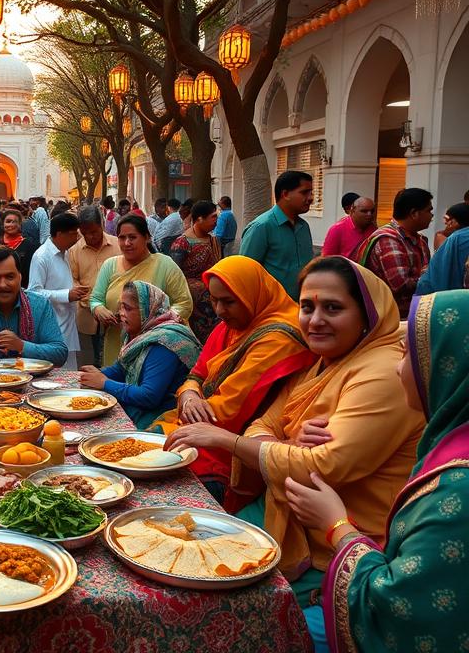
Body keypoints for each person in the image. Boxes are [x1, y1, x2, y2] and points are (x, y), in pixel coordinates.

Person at [166, 257, 423, 639]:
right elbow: (264, 423)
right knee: (175, 549)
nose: (315, 319)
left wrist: (226, 440)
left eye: (332, 308)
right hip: (284, 507)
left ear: (367, 313)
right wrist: (284, 442)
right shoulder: (324, 360)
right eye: (307, 307)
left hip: (337, 538)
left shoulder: (382, 371)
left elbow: (325, 465)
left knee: (217, 608)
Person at [286, 289, 469, 653]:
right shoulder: (447, 435)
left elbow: (398, 609)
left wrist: (337, 526)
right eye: (307, 307)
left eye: (408, 356)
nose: (398, 368)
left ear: (447, 364)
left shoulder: (457, 487)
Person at [153, 256, 317, 506]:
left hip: (228, 452)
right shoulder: (233, 324)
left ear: (252, 294)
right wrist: (189, 395)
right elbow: (197, 373)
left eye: (229, 302)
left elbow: (226, 413)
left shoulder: (279, 338)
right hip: (199, 428)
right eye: (214, 300)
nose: (219, 311)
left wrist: (189, 405)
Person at [80, 281, 200, 429]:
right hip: (144, 406)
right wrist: (94, 375)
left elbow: (149, 396)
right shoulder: (140, 332)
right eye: (121, 307)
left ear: (146, 310)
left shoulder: (164, 343)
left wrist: (104, 383)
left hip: (164, 415)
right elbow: (121, 369)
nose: (122, 313)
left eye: (128, 308)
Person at [90, 214, 192, 365]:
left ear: (147, 237)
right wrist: (99, 310)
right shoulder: (109, 265)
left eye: (132, 237)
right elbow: (95, 299)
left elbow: (184, 303)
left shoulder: (165, 265)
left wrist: (156, 322)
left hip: (154, 345)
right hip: (116, 341)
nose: (127, 243)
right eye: (122, 237)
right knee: (112, 383)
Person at [353, 187, 433, 319]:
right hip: (390, 319)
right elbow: (401, 285)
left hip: (413, 315)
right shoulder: (388, 239)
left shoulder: (418, 239)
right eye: (429, 210)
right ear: (414, 213)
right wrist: (431, 277)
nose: (432, 215)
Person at [240, 170, 315, 300]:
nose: (310, 198)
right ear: (285, 194)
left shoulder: (303, 227)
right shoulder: (261, 227)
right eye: (304, 192)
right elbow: (245, 273)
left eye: (311, 192)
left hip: (302, 306)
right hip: (272, 309)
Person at [28, 212, 87, 369]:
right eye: (73, 234)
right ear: (59, 234)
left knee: (70, 369)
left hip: (67, 319)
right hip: (52, 323)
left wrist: (73, 291)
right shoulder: (41, 257)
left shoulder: (65, 253)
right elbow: (34, 292)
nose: (77, 238)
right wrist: (66, 295)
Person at [67, 206, 120, 367]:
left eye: (94, 232)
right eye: (85, 233)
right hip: (86, 316)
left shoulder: (118, 245)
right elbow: (72, 279)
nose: (90, 236)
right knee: (89, 362)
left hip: (115, 314)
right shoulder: (74, 251)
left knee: (113, 359)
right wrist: (87, 298)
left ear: (102, 225)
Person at [170, 200, 222, 342]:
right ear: (199, 219)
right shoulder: (182, 243)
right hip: (192, 304)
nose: (216, 221)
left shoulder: (214, 241)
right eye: (213, 217)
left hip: (215, 302)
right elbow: (174, 276)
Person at [417, 202, 469, 294]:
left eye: (447, 219)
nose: (445, 223)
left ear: (454, 222)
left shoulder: (456, 238)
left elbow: (438, 273)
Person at [0, 208, 35, 287]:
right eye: (8, 221)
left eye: (15, 222)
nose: (11, 225)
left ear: (20, 225)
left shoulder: (27, 245)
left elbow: (29, 272)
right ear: (3, 225)